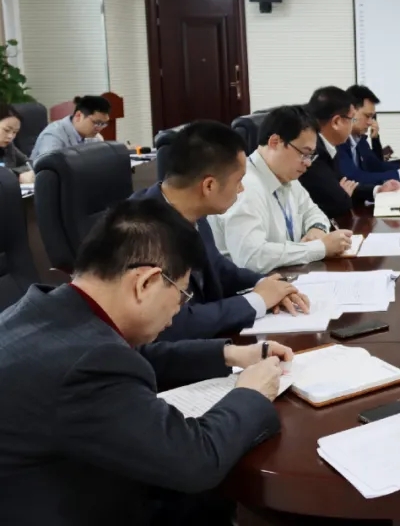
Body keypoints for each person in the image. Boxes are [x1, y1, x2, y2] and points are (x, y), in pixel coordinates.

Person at [0, 199, 289, 526]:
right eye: (182, 294)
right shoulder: (88, 364)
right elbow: (195, 462)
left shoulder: (46, 309)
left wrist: (229, 354)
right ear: (146, 282)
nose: (178, 310)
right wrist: (251, 392)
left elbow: (131, 356)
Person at [131, 121, 306, 341]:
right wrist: (256, 301)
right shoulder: (140, 231)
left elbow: (216, 266)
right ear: (209, 186)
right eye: (238, 181)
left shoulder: (191, 208)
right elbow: (173, 324)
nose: (242, 189)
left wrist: (264, 283)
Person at [212, 106, 354, 274]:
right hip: (251, 285)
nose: (308, 163)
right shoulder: (245, 186)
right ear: (275, 142)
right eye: (304, 153)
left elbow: (313, 212)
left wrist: (316, 229)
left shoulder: (286, 176)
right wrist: (320, 248)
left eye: (311, 156)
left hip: (287, 276)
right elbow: (252, 258)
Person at [300, 86, 400, 219]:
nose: (353, 124)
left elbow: (347, 185)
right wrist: (342, 197)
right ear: (336, 122)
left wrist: (377, 190)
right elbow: (334, 200)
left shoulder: (330, 146)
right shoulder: (314, 153)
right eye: (351, 118)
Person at [338, 85, 400, 183]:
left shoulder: (359, 139)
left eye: (372, 117)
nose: (370, 122)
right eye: (367, 116)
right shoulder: (339, 140)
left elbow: (376, 166)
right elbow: (354, 177)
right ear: (351, 111)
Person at [29, 94, 111, 163]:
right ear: (79, 116)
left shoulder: (95, 138)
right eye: (97, 122)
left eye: (103, 124)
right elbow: (48, 169)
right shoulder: (54, 135)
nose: (99, 128)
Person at [0, 104, 32, 183]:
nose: (10, 136)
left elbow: (29, 164)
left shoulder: (8, 146)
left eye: (15, 132)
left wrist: (22, 174)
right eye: (6, 130)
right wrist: (17, 175)